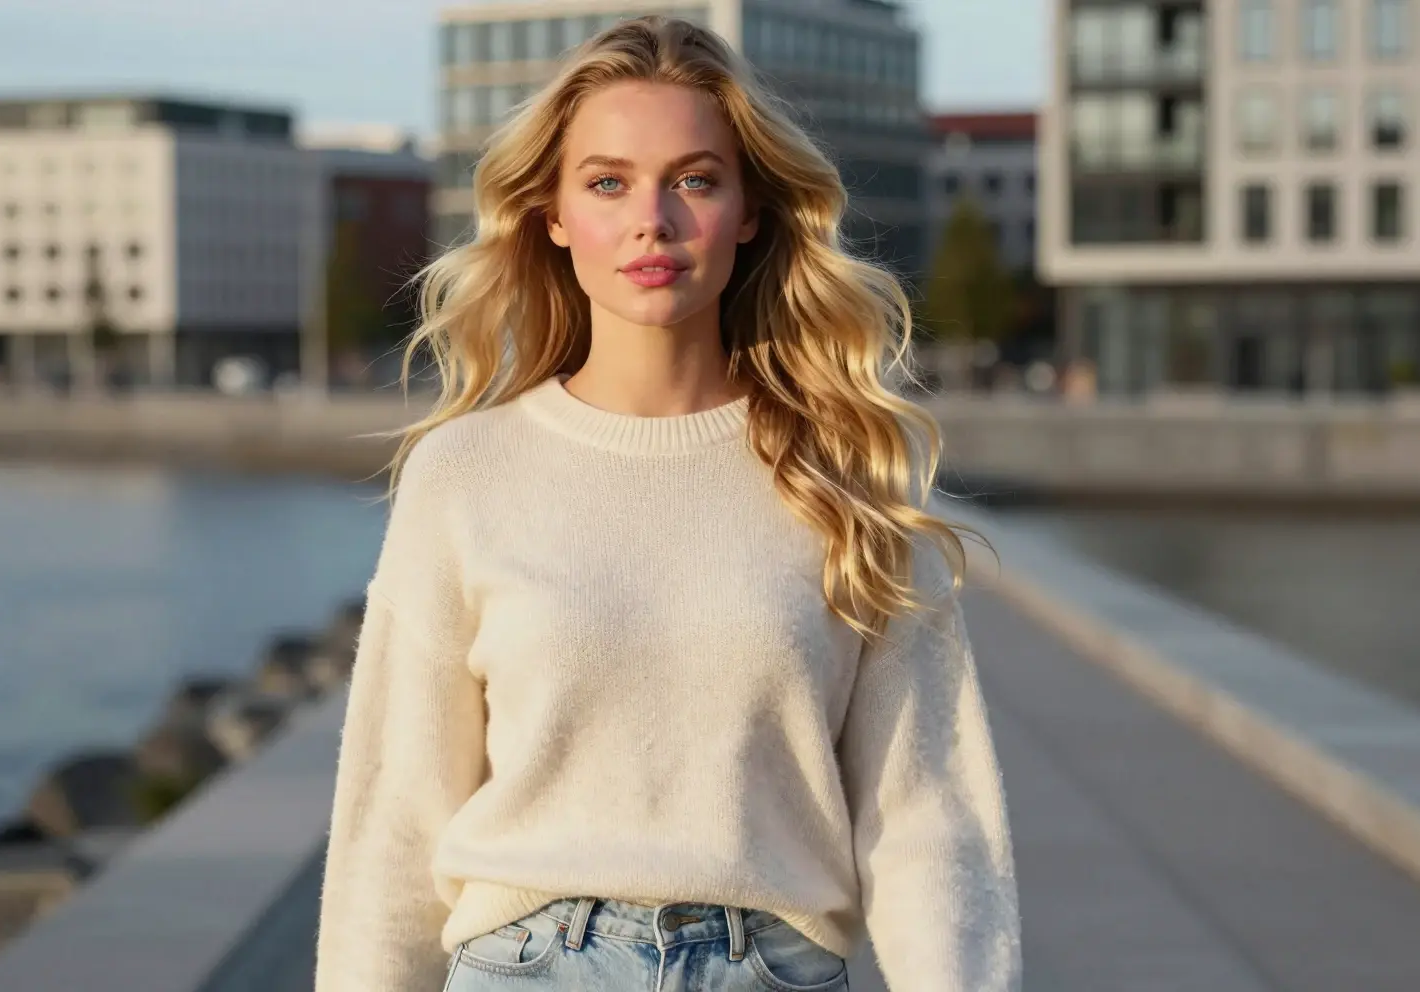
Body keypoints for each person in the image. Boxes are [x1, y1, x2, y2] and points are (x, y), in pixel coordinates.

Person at [312, 16, 1020, 992]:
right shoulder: (465, 471)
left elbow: (929, 814)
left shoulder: (850, 465)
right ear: (553, 214)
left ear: (750, 210)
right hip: (528, 967)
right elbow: (395, 816)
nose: (653, 219)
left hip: (772, 968)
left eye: (695, 180)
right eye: (608, 182)